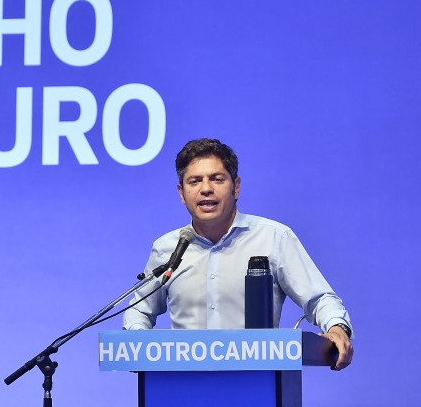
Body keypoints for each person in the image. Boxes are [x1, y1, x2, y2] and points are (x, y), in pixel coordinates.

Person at [122, 138, 354, 370]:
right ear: (182, 193)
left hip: (257, 383)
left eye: (217, 179)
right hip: (184, 384)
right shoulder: (167, 248)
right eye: (195, 181)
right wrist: (138, 344)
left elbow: (319, 298)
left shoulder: (274, 238)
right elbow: (139, 310)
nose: (206, 189)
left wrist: (337, 327)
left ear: (236, 186)